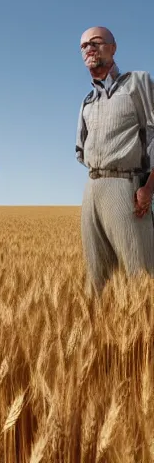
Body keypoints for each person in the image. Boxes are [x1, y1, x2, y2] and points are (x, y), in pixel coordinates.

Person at [75, 26, 154, 294]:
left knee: (139, 273)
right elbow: (81, 149)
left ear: (113, 47)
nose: (89, 48)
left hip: (125, 187)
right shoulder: (87, 101)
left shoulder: (138, 83)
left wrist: (149, 187)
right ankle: (98, 334)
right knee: (97, 280)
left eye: (96, 42)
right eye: (84, 45)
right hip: (92, 188)